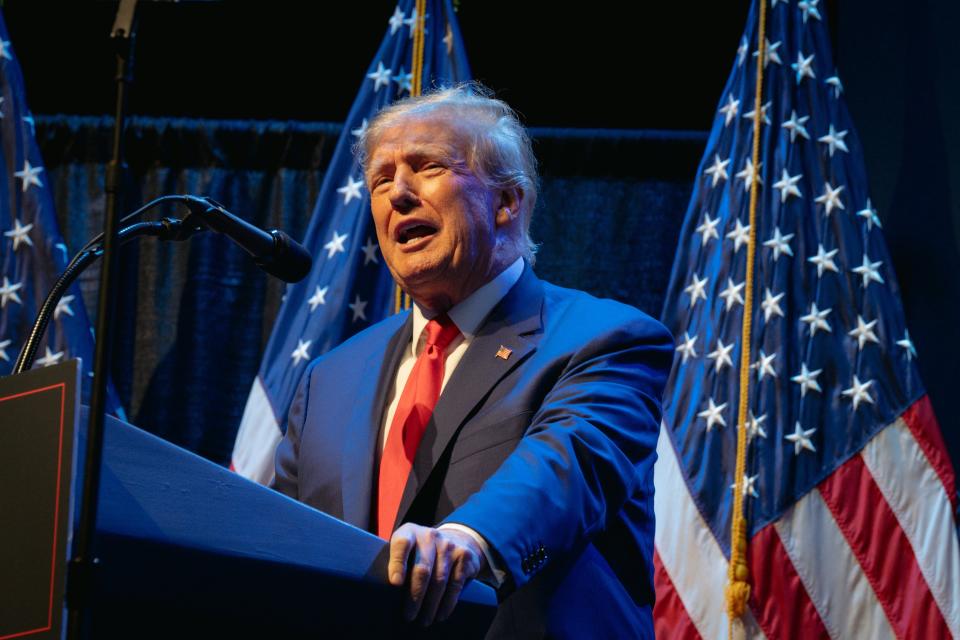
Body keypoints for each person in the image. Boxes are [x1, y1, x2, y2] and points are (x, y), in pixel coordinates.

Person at [273, 84, 673, 639]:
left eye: (427, 166)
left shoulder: (606, 340)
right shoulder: (330, 378)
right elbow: (278, 541)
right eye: (381, 180)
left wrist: (467, 538)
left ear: (508, 202)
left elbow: (565, 466)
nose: (399, 194)